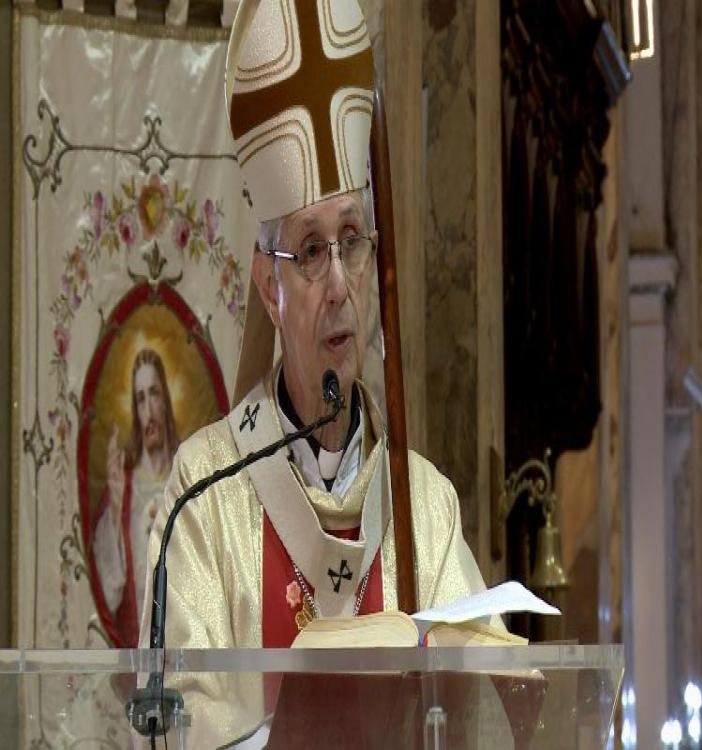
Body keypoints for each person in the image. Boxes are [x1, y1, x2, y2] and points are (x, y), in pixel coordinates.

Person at [139, 0, 501, 742]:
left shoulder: (424, 508)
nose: (339, 282)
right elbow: (183, 724)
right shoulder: (204, 498)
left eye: (353, 241)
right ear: (269, 288)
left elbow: (489, 715)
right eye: (309, 251)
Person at [93, 347, 179, 646]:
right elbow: (110, 592)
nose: (148, 410)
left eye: (153, 394)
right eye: (140, 398)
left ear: (165, 400)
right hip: (134, 661)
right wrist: (116, 512)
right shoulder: (123, 490)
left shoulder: (187, 478)